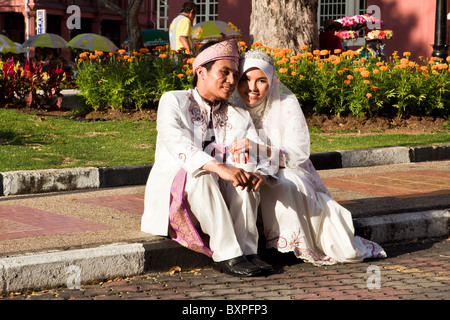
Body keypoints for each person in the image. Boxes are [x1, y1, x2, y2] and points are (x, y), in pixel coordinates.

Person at [230, 49, 387, 265]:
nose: (252, 88)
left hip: (288, 167)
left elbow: (298, 153)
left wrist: (261, 150)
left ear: (272, 81)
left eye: (261, 81)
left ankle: (284, 246)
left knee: (285, 183)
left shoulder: (285, 103)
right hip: (248, 168)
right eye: (245, 79)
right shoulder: (232, 107)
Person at [141, 40, 275, 277]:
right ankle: (227, 254)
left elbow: (258, 148)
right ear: (201, 71)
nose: (232, 81)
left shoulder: (237, 112)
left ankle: (247, 250)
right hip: (180, 195)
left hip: (221, 197)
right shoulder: (174, 100)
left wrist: (259, 173)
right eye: (224, 73)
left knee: (246, 171)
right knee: (201, 174)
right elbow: (176, 142)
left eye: (235, 74)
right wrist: (219, 168)